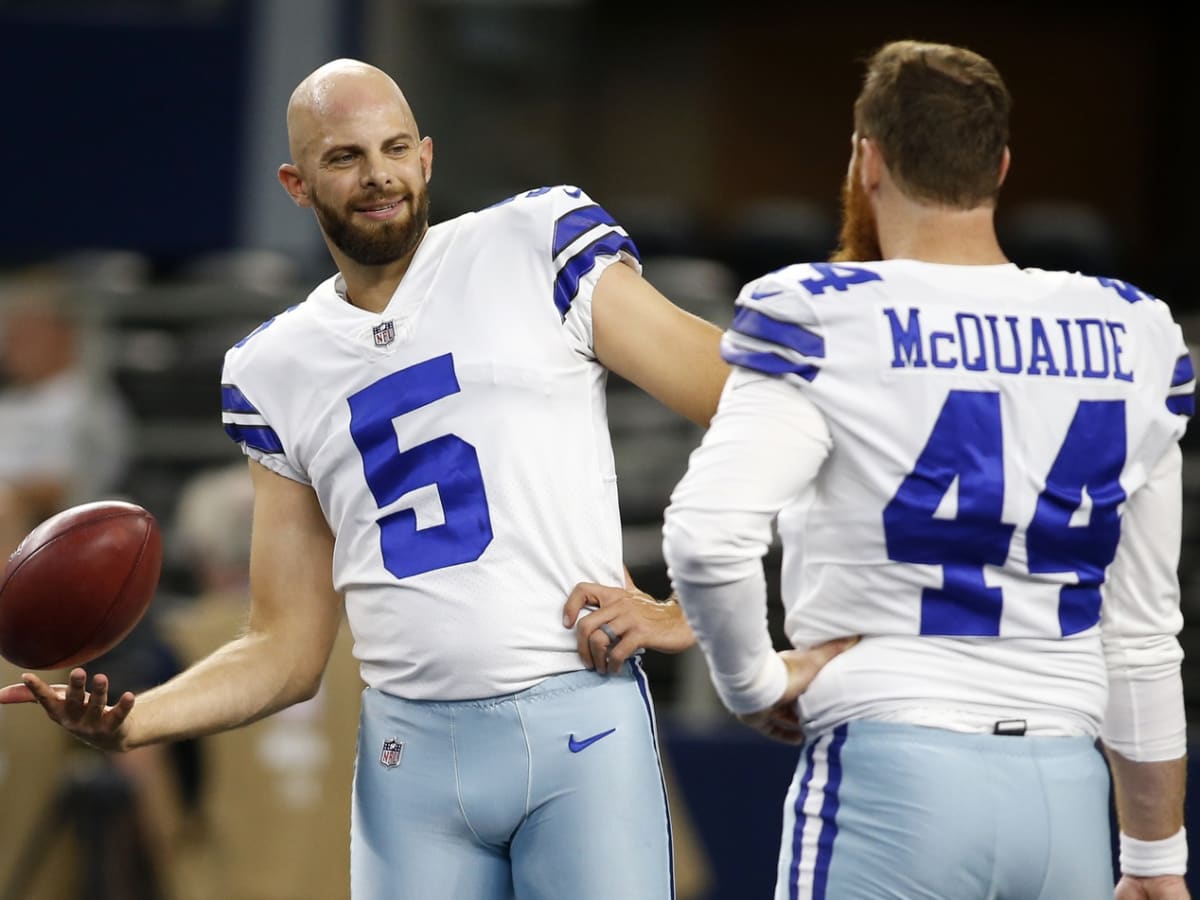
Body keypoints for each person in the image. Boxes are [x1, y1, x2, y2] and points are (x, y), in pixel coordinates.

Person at [0, 59, 847, 899]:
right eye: (344, 157)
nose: (378, 176)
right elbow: (285, 650)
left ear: (427, 156)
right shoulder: (274, 366)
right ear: (296, 183)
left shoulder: (532, 242)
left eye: (395, 148)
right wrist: (135, 720)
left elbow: (757, 414)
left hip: (577, 723)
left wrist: (683, 608)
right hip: (407, 757)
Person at [662, 40, 1192, 900]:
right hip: (1064, 793)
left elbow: (705, 535)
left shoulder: (824, 314)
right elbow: (1140, 636)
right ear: (1002, 167)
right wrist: (1156, 859)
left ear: (867, 159)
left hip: (892, 772)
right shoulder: (1134, 335)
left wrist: (753, 684)